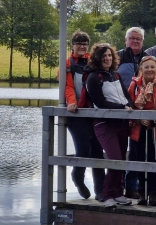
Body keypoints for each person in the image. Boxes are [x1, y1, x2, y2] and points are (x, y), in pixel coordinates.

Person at [85, 43, 134, 208]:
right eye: (103, 56)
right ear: (97, 58)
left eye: (109, 55)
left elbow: (126, 97)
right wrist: (123, 108)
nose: (107, 58)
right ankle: (107, 195)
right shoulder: (93, 77)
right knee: (114, 159)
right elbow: (100, 102)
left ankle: (119, 192)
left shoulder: (116, 75)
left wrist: (131, 106)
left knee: (122, 159)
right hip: (104, 124)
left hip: (121, 123)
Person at [61, 30, 105, 202]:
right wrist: (72, 102)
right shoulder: (66, 64)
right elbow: (68, 87)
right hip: (76, 114)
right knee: (83, 150)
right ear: (72, 45)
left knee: (98, 152)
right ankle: (77, 176)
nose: (82, 46)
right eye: (78, 43)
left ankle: (100, 191)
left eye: (85, 43)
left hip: (94, 113)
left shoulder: (93, 62)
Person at [128, 55, 156, 206]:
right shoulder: (134, 85)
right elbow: (129, 106)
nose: (149, 69)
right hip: (139, 128)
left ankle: (153, 192)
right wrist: (139, 118)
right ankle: (142, 192)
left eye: (152, 67)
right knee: (140, 160)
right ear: (141, 69)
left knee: (155, 160)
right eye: (146, 67)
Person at [118, 27, 147, 200]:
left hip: (141, 112)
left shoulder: (147, 58)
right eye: (132, 38)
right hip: (121, 109)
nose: (135, 41)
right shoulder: (117, 57)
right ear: (126, 40)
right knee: (120, 151)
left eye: (138, 39)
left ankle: (132, 187)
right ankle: (116, 187)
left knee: (136, 151)